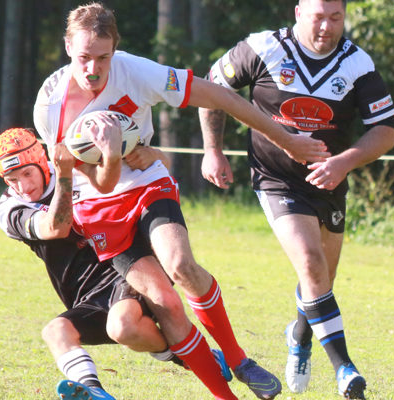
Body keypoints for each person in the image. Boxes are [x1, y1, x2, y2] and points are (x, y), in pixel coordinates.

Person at [33, 3, 330, 399]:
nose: (93, 69)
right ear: (68, 46)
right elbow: (101, 185)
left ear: (115, 50)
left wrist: (287, 139)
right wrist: (115, 154)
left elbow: (220, 96)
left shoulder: (136, 71)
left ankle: (238, 358)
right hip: (101, 207)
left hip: (147, 184)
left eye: (103, 58)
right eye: (85, 57)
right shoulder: (50, 109)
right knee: (166, 304)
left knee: (181, 265)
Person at [198, 0, 394, 398]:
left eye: (336, 18)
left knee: (321, 279)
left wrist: (344, 162)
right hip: (276, 180)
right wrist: (212, 150)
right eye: (318, 17)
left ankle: (300, 334)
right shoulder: (264, 49)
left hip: (328, 184)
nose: (327, 26)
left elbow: (386, 130)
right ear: (298, 13)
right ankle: (345, 369)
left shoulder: (356, 64)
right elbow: (212, 89)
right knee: (310, 262)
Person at [0, 128, 230, 400]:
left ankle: (197, 356)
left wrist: (154, 153)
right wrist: (66, 176)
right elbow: (55, 227)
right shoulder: (9, 208)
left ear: (42, 162)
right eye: (12, 180)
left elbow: (155, 166)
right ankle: (95, 390)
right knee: (55, 331)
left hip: (128, 267)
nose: (23, 186)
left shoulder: (76, 164)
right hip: (86, 294)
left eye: (27, 174)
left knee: (123, 327)